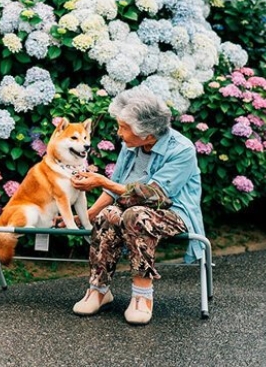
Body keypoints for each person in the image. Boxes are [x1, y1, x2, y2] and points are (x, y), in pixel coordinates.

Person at [69, 86, 205, 325]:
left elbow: (155, 195)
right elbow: (116, 188)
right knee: (110, 214)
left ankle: (143, 295)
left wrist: (101, 180)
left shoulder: (182, 150)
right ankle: (98, 289)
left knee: (135, 215)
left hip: (173, 212)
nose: (119, 133)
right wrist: (88, 215)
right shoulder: (131, 146)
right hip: (130, 209)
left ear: (148, 134)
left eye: (124, 128)